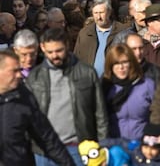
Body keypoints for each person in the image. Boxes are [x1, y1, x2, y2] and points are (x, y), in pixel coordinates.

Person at [26, 28, 108, 165]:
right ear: (42, 48)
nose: (54, 56)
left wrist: (104, 145)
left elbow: (100, 113)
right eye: (49, 52)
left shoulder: (86, 73)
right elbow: (26, 115)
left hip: (79, 148)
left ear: (67, 45)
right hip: (44, 150)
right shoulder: (35, 77)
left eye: (59, 50)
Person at [0, 49, 75, 165]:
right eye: (14, 71)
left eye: (19, 70)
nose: (20, 75)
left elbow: (46, 138)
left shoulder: (23, 97)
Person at [102, 43, 155, 141]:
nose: (121, 67)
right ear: (110, 66)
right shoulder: (105, 87)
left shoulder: (147, 84)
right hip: (114, 144)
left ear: (131, 63)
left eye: (125, 62)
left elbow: (157, 114)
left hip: (141, 143)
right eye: (116, 63)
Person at [74, 0, 126, 77]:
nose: (98, 17)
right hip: (89, 82)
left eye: (101, 13)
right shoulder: (85, 33)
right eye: (95, 13)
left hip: (114, 82)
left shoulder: (122, 31)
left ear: (109, 12)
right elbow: (76, 59)